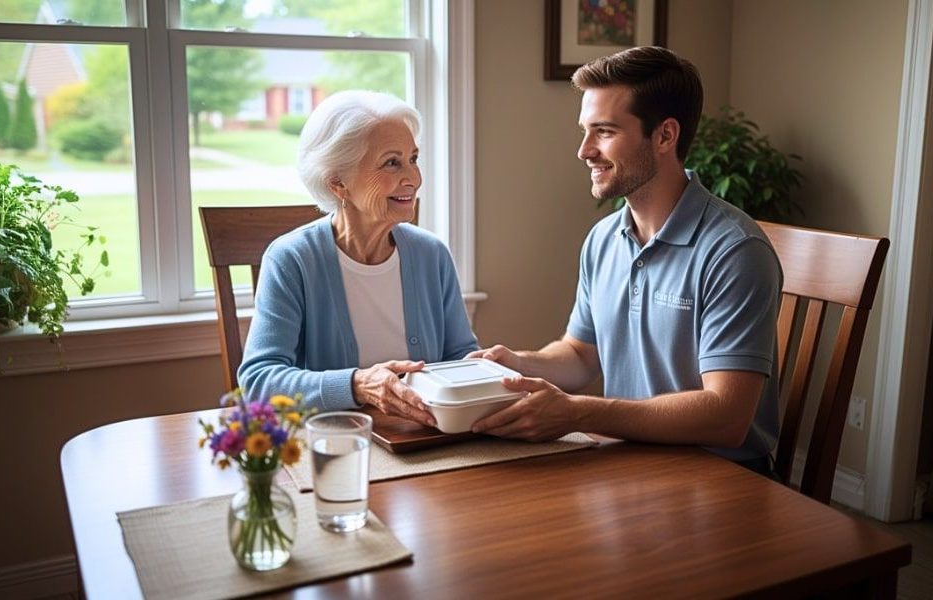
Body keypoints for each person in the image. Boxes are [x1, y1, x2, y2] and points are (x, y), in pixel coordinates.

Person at [469, 46, 782, 474]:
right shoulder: (603, 238)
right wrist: (516, 364)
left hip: (720, 478)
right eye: (585, 130)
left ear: (665, 136)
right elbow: (581, 355)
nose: (584, 150)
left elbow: (726, 416)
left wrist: (580, 413)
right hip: (632, 460)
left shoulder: (735, 251)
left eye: (604, 131)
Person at [239, 90, 479, 426]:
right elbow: (259, 381)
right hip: (337, 442)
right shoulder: (291, 259)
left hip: (424, 440)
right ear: (338, 182)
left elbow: (459, 357)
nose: (414, 178)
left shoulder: (431, 254)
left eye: (413, 158)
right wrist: (357, 385)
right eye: (392, 162)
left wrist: (483, 370)